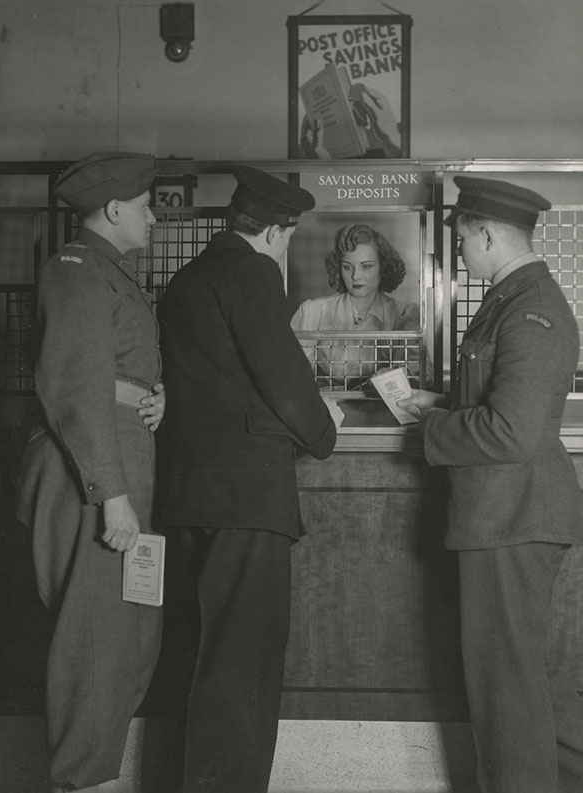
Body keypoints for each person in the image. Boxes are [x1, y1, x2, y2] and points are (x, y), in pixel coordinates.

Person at [157, 165, 340, 793]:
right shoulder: (252, 270)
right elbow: (283, 375)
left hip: (187, 496)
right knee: (242, 670)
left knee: (196, 659)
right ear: (278, 232)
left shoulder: (186, 278)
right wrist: (323, 433)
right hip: (248, 501)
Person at [398, 176, 583, 793]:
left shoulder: (530, 307)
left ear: (484, 233)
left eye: (459, 239)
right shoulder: (514, 295)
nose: (457, 253)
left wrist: (435, 426)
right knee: (529, 677)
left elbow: (512, 433)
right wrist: (443, 401)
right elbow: (499, 402)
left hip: (512, 517)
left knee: (505, 683)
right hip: (509, 515)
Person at [16, 151, 165, 793]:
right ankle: (80, 780)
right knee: (94, 648)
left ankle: (92, 774)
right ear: (112, 210)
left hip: (117, 467)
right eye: (144, 204)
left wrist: (156, 395)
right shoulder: (75, 270)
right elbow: (76, 389)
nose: (154, 216)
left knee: (123, 640)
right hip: (93, 481)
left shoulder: (110, 273)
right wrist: (111, 496)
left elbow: (115, 373)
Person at [290, 223, 420, 386]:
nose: (355, 276)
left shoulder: (403, 315)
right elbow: (292, 373)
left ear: (383, 268)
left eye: (366, 267)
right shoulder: (313, 312)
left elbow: (419, 371)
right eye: (347, 267)